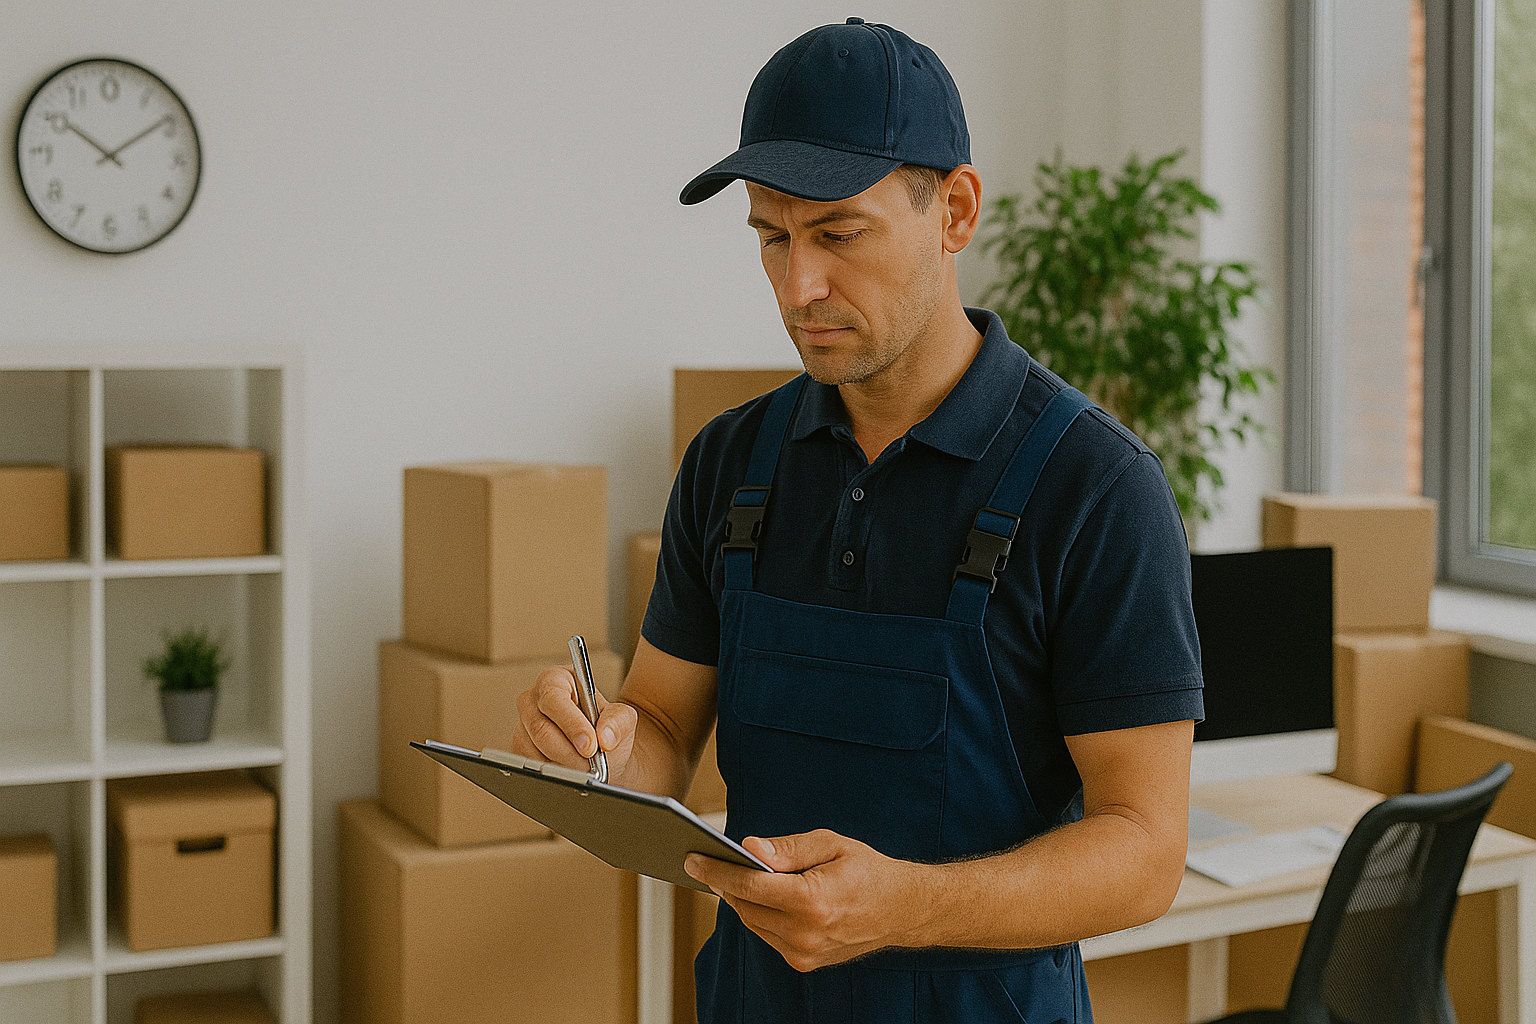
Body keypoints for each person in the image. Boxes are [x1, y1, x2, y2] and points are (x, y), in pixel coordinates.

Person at [513, 18, 1203, 1023]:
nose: (800, 288)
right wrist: (598, 750)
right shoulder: (728, 466)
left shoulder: (1097, 488)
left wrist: (907, 907)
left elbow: (1144, 849)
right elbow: (662, 726)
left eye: (840, 234)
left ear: (955, 209)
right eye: (771, 237)